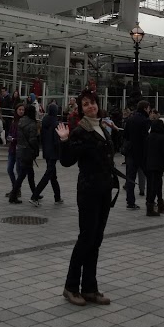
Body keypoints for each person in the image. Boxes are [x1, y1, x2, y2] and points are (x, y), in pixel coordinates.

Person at [57, 90, 116, 306]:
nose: (90, 106)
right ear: (81, 109)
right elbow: (67, 161)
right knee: (86, 239)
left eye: (92, 103)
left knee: (96, 239)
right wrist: (64, 141)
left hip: (103, 190)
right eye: (86, 104)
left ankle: (90, 287)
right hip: (89, 190)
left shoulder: (102, 127)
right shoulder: (81, 131)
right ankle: (71, 286)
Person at [31, 102, 63, 206]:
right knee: (48, 174)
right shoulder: (56, 123)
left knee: (53, 175)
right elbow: (56, 141)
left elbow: (41, 137)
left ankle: (57, 197)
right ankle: (35, 196)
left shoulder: (44, 121)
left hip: (46, 151)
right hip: (53, 152)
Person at [8, 104, 39, 203]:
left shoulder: (21, 121)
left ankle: (35, 193)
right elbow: (33, 140)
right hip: (28, 152)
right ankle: (13, 195)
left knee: (30, 173)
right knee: (22, 175)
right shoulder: (32, 124)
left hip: (20, 150)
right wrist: (36, 150)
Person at [123, 101, 150, 210]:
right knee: (150, 177)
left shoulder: (130, 119)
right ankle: (151, 201)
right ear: (144, 108)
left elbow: (125, 135)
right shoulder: (146, 121)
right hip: (142, 153)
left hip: (131, 152)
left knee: (130, 178)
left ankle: (130, 202)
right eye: (148, 108)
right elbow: (147, 138)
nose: (149, 110)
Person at [145, 115, 164, 216]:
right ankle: (151, 207)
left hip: (149, 164)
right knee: (157, 185)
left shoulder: (149, 137)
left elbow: (145, 151)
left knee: (154, 184)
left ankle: (158, 204)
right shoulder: (163, 138)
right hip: (159, 165)